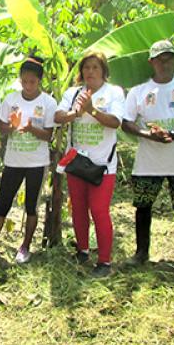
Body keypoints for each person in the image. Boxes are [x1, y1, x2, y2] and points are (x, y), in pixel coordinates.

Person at [121, 40, 174, 266]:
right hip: (148, 160)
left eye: (169, 58)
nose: (165, 63)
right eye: (160, 59)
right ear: (151, 62)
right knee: (143, 206)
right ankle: (141, 253)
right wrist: (148, 135)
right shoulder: (139, 91)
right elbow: (126, 123)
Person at [0, 57, 57, 266]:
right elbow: (1, 125)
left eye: (33, 82)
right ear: (20, 80)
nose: (28, 86)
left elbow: (48, 135)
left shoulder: (48, 103)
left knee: (31, 206)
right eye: (24, 81)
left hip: (37, 162)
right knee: (2, 204)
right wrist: (9, 126)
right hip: (13, 161)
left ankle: (25, 247)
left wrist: (31, 128)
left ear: (40, 81)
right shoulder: (11, 99)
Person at [55, 51, 125, 278]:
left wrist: (91, 110)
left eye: (95, 67)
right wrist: (74, 113)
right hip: (76, 162)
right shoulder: (73, 92)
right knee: (78, 208)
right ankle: (83, 250)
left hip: (103, 164)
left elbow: (115, 122)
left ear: (104, 71)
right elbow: (58, 116)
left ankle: (104, 262)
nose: (90, 72)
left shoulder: (113, 92)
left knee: (99, 210)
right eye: (86, 67)